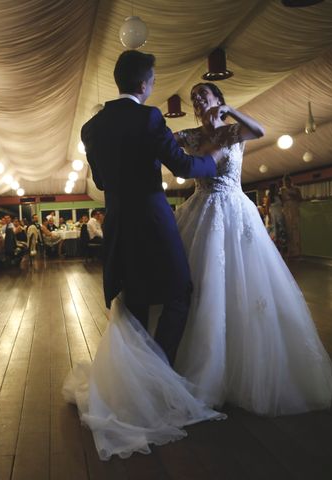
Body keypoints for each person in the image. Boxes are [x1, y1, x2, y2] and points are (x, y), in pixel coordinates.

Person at [63, 50, 225, 460]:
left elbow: (99, 179)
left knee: (133, 303)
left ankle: (135, 386)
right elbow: (184, 167)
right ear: (144, 84)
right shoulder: (150, 118)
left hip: (118, 222)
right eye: (152, 80)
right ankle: (159, 379)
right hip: (153, 220)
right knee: (179, 293)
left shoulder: (90, 127)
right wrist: (213, 161)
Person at [171, 82, 332, 417]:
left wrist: (229, 111)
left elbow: (259, 130)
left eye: (204, 95)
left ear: (218, 99)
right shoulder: (189, 135)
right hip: (201, 209)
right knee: (203, 284)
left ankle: (242, 367)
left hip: (233, 209)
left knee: (243, 283)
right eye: (194, 99)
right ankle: (199, 363)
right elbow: (165, 146)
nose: (198, 101)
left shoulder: (234, 131)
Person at [280, 174, 303, 258]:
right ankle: (290, 251)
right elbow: (281, 201)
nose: (286, 183)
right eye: (285, 182)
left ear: (290, 181)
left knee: (296, 229)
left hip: (294, 208)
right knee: (288, 230)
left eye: (288, 181)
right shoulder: (282, 190)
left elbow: (301, 199)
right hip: (286, 210)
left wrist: (294, 196)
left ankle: (298, 251)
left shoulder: (296, 189)